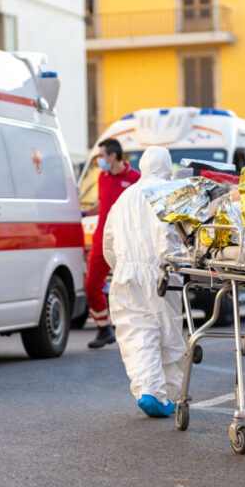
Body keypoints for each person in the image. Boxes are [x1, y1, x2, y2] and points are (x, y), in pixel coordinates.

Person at [102, 146, 184, 417]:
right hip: (159, 272)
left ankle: (149, 391)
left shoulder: (124, 197)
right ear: (166, 167)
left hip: (125, 274)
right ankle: (170, 395)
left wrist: (120, 267)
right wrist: (176, 264)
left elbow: (108, 242)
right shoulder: (168, 192)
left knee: (136, 334)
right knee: (168, 334)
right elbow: (169, 234)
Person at [83, 138, 141, 349]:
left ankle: (135, 330)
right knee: (91, 285)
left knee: (129, 285)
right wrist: (85, 213)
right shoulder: (102, 177)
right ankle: (104, 328)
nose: (99, 160)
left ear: (113, 156)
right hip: (101, 237)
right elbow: (103, 203)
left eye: (101, 155)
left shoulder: (135, 178)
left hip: (126, 239)